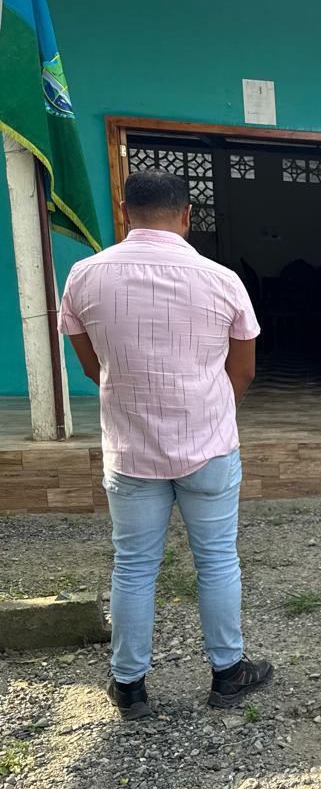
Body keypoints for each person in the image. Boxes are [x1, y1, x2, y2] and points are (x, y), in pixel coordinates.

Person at [59, 170, 273, 720]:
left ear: (124, 211)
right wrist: (210, 410)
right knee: (217, 560)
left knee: (133, 566)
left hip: (130, 448)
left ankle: (129, 685)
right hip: (208, 445)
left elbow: (93, 367)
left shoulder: (84, 276)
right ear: (187, 216)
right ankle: (227, 674)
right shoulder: (222, 279)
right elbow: (244, 370)